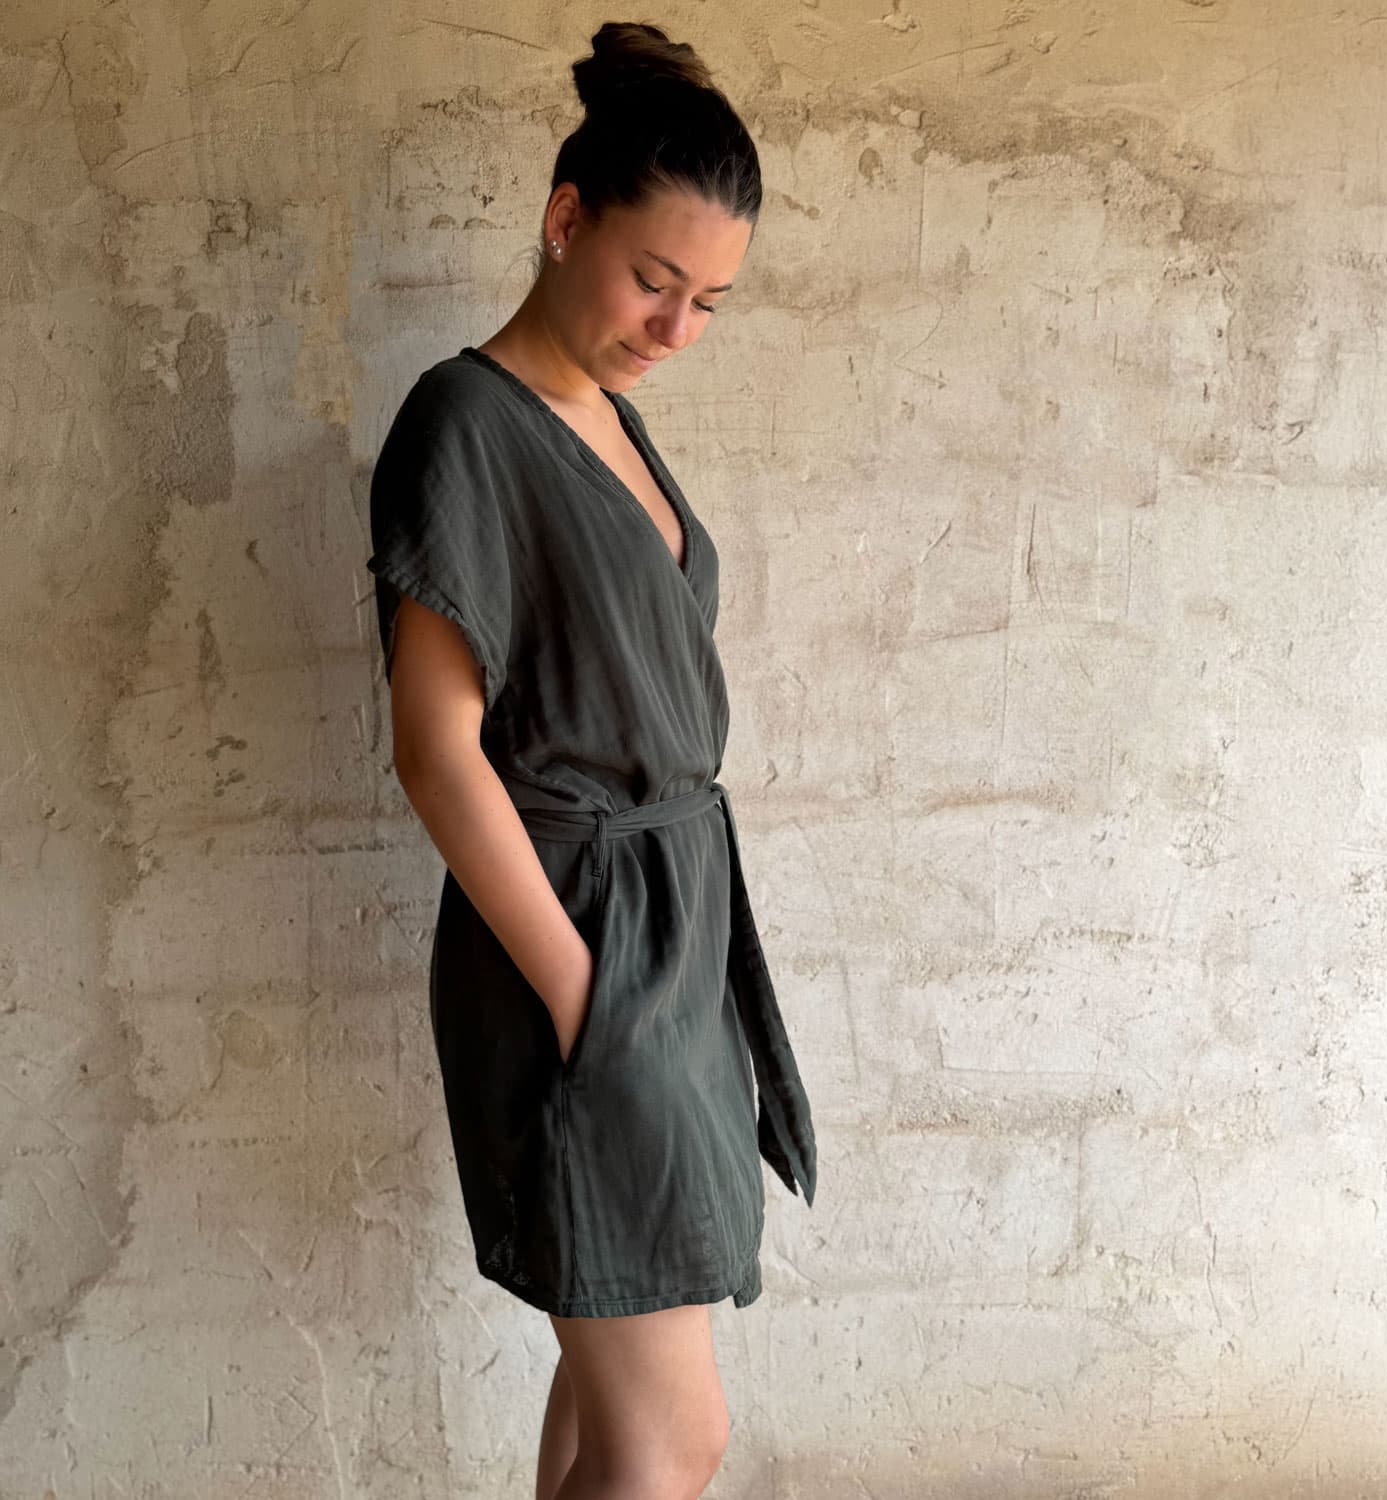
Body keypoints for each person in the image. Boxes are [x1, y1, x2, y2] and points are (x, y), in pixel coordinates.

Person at [364, 22, 817, 1500]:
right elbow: (437, 753)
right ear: (566, 219)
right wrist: (586, 991)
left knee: (604, 1394)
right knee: (671, 1437)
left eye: (710, 301)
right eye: (652, 278)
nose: (676, 327)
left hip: (668, 937)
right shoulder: (465, 422)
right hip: (576, 936)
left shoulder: (607, 417)